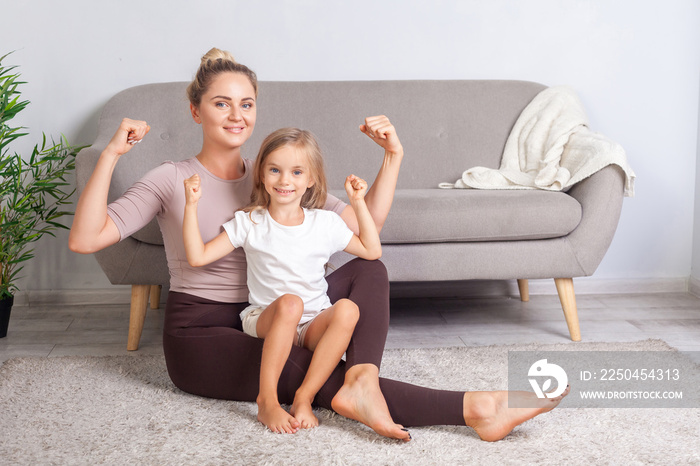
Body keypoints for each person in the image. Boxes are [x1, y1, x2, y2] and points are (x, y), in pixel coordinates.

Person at [69, 47, 568, 443]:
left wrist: (392, 158)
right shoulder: (170, 178)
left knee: (370, 271)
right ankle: (477, 408)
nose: (236, 115)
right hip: (203, 332)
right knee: (309, 372)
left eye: (246, 104)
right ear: (196, 110)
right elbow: (87, 238)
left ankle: (364, 381)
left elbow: (362, 226)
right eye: (222, 103)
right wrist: (111, 156)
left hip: (275, 312)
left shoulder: (275, 178)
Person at [182, 126, 383, 434]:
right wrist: (191, 205)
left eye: (297, 172)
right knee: (290, 304)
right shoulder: (250, 222)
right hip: (266, 317)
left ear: (311, 180)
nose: (285, 180)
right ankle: (268, 402)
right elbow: (197, 257)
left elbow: (371, 249)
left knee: (347, 310)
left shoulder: (325, 223)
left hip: (312, 323)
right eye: (275, 170)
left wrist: (357, 202)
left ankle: (305, 397)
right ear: (262, 174)